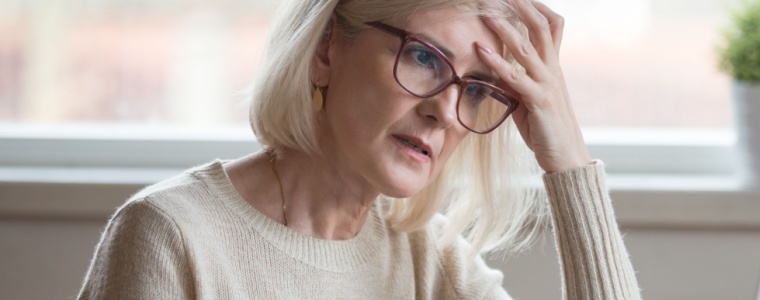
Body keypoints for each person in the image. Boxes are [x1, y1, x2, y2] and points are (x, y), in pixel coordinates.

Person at [78, 0, 641, 298]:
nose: (445, 109)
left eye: (475, 89)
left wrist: (565, 156)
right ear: (326, 48)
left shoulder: (428, 262)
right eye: (424, 57)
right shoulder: (170, 235)